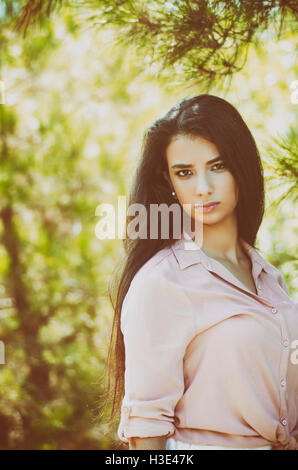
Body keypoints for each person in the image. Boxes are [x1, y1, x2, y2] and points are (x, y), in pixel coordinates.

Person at [101, 94, 298, 450]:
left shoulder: (269, 278)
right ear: (169, 181)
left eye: (218, 166)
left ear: (241, 167)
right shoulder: (161, 282)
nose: (203, 187)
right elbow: (147, 430)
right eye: (185, 173)